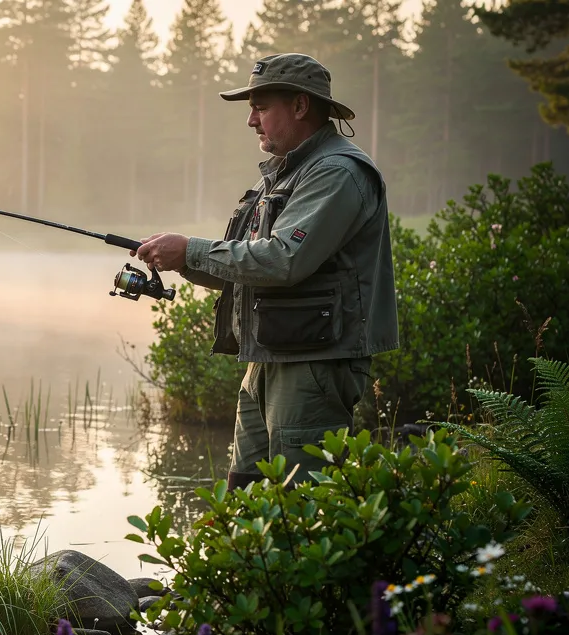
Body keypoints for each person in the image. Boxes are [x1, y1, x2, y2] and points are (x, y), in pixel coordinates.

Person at [133, 53, 399, 489]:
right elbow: (250, 266)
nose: (251, 120)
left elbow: (281, 260)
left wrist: (192, 249)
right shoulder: (280, 175)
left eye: (260, 107)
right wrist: (181, 259)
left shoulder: (337, 173)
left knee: (301, 505)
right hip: (269, 359)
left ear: (299, 106)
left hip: (314, 364)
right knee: (247, 494)